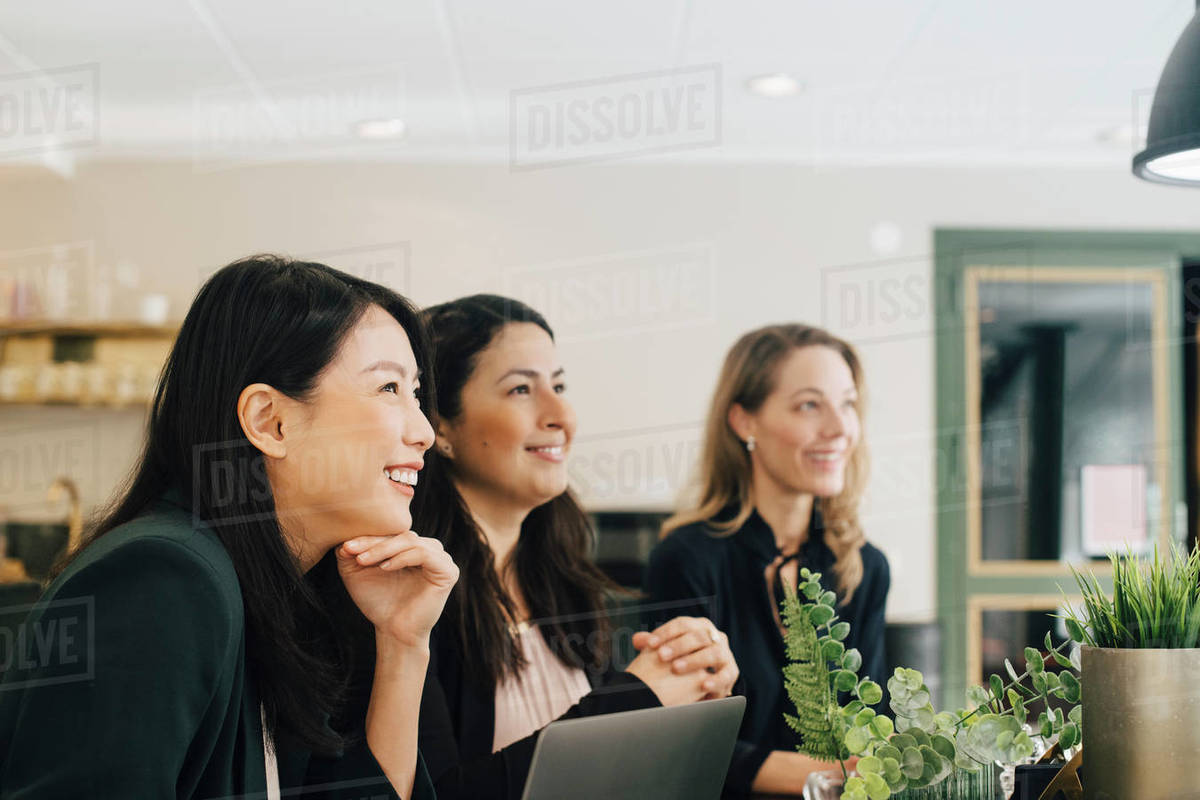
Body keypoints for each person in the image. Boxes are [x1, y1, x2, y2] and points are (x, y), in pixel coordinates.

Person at [0, 255, 456, 799]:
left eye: (416, 392)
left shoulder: (292, 589)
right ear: (270, 420)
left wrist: (403, 643)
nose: (425, 430)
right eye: (388, 389)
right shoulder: (165, 579)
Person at [412, 294, 741, 800]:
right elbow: (444, 793)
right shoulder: (409, 593)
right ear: (440, 427)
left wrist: (692, 692)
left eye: (559, 385)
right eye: (521, 389)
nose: (562, 414)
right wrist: (640, 698)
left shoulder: (562, 575)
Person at [644, 324, 890, 796]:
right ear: (744, 422)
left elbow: (874, 724)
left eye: (848, 403)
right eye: (809, 405)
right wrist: (838, 774)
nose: (839, 428)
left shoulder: (864, 566)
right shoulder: (686, 559)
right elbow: (683, 743)